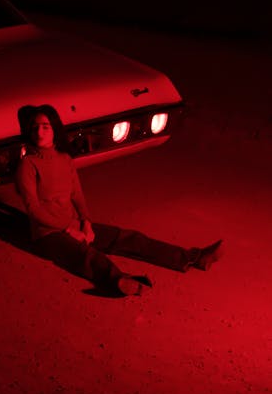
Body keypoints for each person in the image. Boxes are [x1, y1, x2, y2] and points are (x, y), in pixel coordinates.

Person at [15, 104, 223, 297]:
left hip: (72, 224)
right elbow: (33, 208)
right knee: (86, 255)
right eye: (35, 128)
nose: (39, 132)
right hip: (47, 234)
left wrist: (86, 222)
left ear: (54, 129)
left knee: (126, 238)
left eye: (45, 127)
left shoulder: (64, 159)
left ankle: (191, 257)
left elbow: (76, 194)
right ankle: (118, 281)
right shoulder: (29, 164)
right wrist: (68, 230)